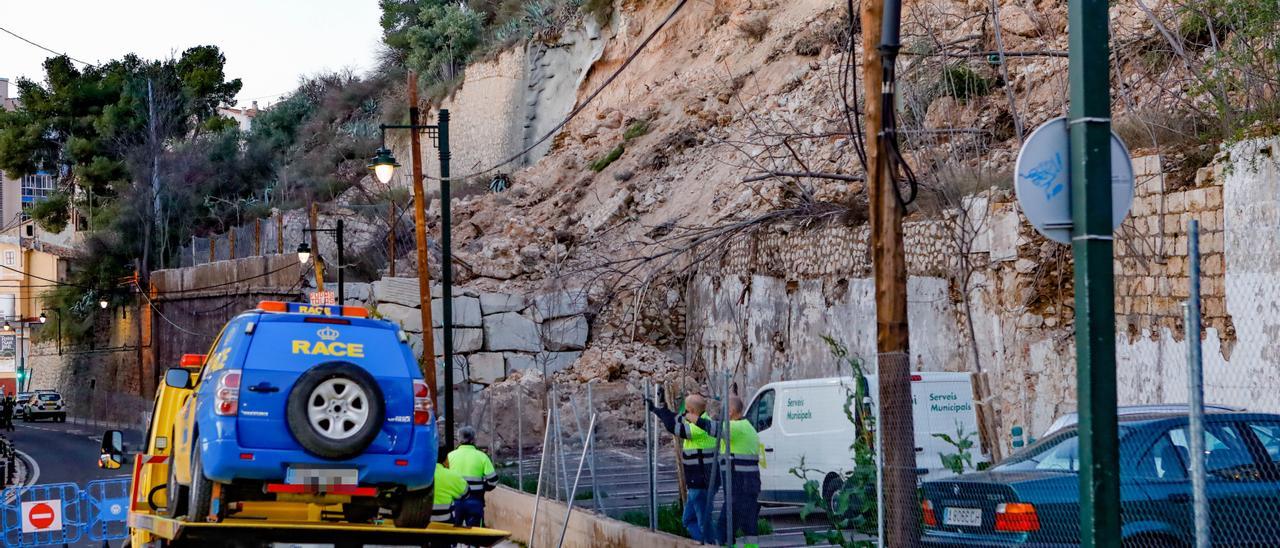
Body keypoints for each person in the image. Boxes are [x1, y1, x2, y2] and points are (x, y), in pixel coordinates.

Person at [646, 391, 717, 543]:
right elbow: (675, 418)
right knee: (688, 520)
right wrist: (657, 409)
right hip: (695, 483)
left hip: (701, 483)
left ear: (691, 411)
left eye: (685, 409)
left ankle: (711, 544)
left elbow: (674, 427)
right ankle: (707, 543)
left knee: (703, 522)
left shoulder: (701, 428)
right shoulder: (698, 420)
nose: (683, 411)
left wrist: (662, 411)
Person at [708, 395, 763, 545]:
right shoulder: (745, 426)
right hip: (748, 485)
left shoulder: (736, 427)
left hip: (739, 486)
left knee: (724, 527)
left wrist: (698, 418)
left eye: (723, 411)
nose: (722, 414)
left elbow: (713, 429)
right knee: (748, 525)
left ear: (731, 411)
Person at [446, 426, 497, 526]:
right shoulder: (482, 456)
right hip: (476, 501)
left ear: (459, 439)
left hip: (454, 503)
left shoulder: (450, 456)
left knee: (452, 535)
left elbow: (444, 478)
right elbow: (493, 481)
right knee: (476, 536)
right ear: (474, 439)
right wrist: (483, 487)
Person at [432, 452, 468, 524]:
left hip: (419, 524)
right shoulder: (452, 475)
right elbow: (466, 493)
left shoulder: (416, 474)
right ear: (445, 460)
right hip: (444, 523)